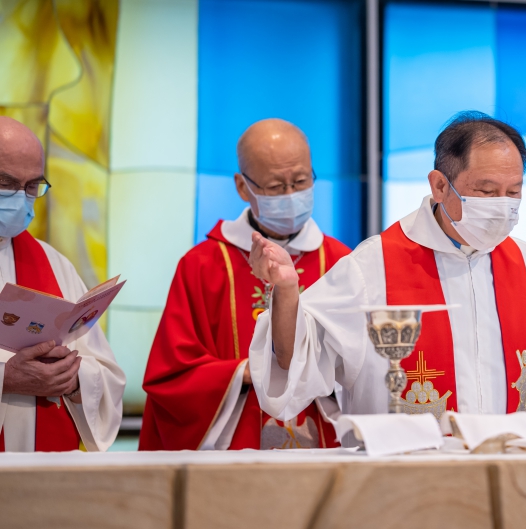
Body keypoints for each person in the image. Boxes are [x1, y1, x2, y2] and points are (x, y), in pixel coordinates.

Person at [246, 112, 526, 427]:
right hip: (407, 493)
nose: (502, 206)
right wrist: (286, 291)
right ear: (439, 185)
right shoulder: (372, 266)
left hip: (515, 485)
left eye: (514, 191)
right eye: (486, 191)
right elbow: (295, 360)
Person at [139, 119, 350, 450]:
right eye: (276, 187)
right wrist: (247, 372)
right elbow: (171, 375)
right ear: (242, 187)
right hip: (234, 447)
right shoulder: (202, 265)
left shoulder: (341, 262)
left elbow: (361, 365)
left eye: (300, 181)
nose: (291, 195)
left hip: (322, 445)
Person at [0, 116, 125, 452]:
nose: (20, 199)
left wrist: (73, 378)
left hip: (43, 471)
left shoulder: (53, 263)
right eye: (5, 183)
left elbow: (107, 375)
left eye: (32, 187)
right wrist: (5, 379)